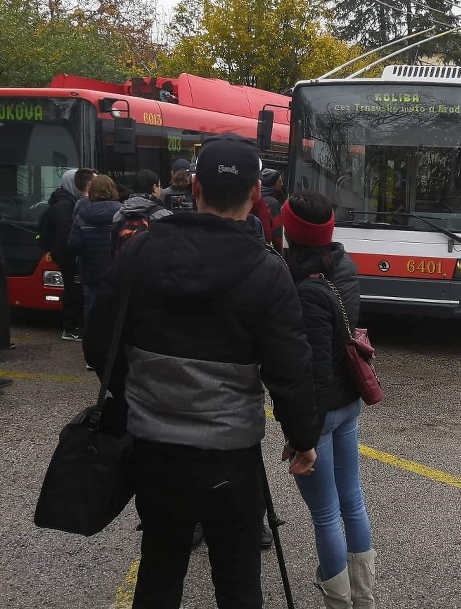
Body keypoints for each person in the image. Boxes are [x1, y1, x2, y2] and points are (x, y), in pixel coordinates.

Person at [84, 134, 321, 609]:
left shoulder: (140, 251)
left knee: (159, 570)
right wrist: (303, 435)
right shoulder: (268, 270)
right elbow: (289, 368)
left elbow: (98, 343)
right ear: (256, 196)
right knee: (237, 584)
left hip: (153, 450)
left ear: (195, 190)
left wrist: (138, 393)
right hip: (230, 457)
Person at [282, 191, 376, 609]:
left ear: (290, 231)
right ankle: (363, 597)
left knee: (325, 514)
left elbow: (312, 372)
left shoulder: (302, 289)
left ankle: (340, 602)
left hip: (319, 412)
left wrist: (302, 439)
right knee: (352, 499)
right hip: (348, 402)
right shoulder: (345, 266)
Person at [39, 167, 95, 340]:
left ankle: (74, 325)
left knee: (75, 290)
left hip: (66, 254)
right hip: (68, 256)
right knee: (73, 291)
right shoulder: (65, 205)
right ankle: (70, 327)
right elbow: (66, 234)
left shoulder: (66, 201)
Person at [68, 175, 120, 322]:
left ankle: (93, 340)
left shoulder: (82, 216)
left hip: (91, 273)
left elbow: (73, 246)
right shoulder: (122, 213)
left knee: (92, 307)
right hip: (116, 271)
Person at [110, 170, 172, 255]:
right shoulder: (164, 215)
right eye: (160, 186)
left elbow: (113, 247)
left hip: (125, 265)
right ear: (154, 187)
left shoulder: (119, 214)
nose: (161, 189)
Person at [261, 169, 285, 251]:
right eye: (280, 181)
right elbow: (277, 234)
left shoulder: (256, 197)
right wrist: (280, 253)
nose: (282, 184)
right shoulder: (273, 203)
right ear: (273, 185)